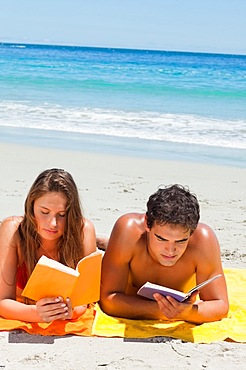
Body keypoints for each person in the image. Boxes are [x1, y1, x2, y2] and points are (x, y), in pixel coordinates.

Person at [100, 184, 229, 324]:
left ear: (192, 232)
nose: (170, 250)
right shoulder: (129, 230)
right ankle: (105, 242)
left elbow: (220, 305)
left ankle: (105, 242)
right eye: (161, 239)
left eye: (181, 241)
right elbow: (108, 299)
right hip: (132, 246)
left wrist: (188, 312)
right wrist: (166, 311)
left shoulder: (203, 240)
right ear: (147, 224)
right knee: (122, 244)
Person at [0, 168, 97, 323]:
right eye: (44, 212)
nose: (53, 223)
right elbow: (2, 301)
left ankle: (103, 241)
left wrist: (69, 312)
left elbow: (83, 303)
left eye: (62, 215)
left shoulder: (83, 231)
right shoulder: (14, 230)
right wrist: (36, 313)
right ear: (31, 207)